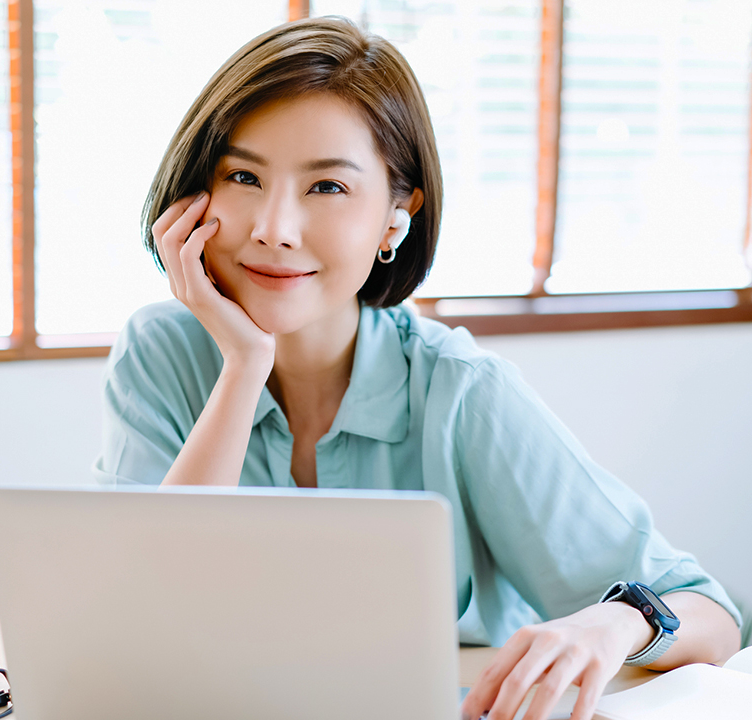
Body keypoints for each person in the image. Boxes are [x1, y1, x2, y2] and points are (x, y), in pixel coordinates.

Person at [93, 16, 741, 720]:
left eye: (327, 187)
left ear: (396, 217)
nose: (274, 228)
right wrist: (245, 363)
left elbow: (710, 616)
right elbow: (138, 619)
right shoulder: (159, 351)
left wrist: (612, 623)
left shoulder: (461, 390)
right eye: (243, 176)